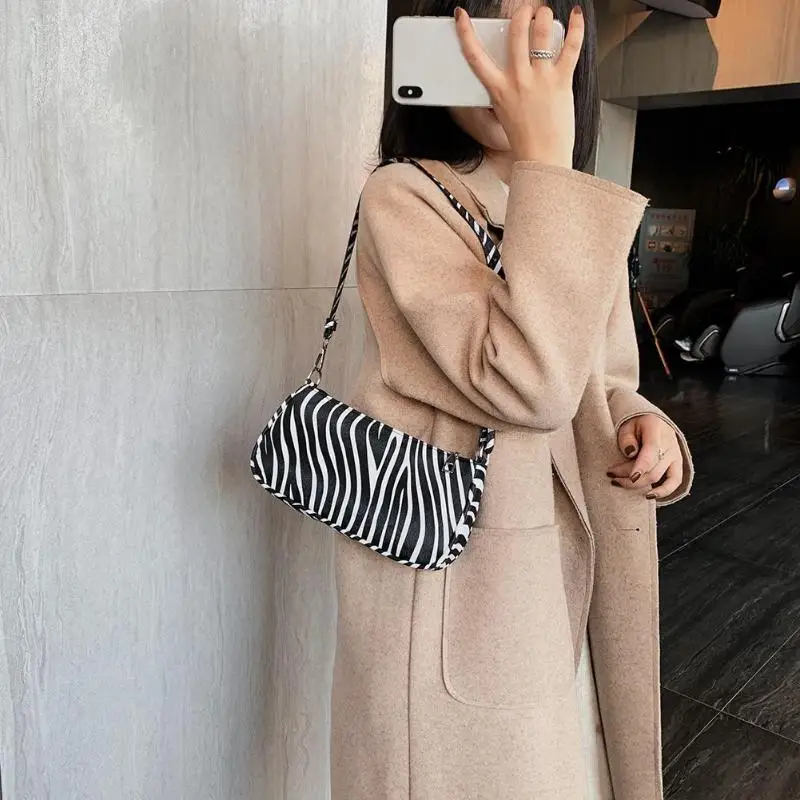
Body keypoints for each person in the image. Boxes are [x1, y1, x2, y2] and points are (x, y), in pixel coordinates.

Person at [331, 1, 694, 798]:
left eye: (539, 51)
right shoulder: (406, 195)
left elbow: (603, 373)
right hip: (463, 575)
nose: (513, 77)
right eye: (489, 47)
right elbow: (528, 382)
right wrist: (546, 164)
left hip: (566, 562)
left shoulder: (576, 203)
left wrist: (642, 418)